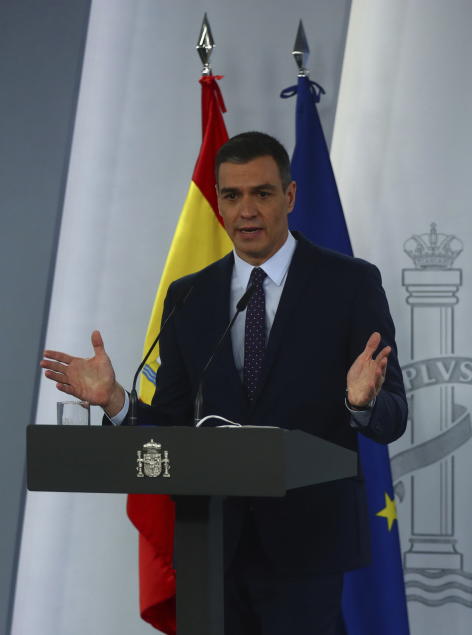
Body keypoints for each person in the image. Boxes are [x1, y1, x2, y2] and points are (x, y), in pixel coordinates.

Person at [40, 131, 407, 634]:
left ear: (290, 196)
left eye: (262, 193)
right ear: (219, 202)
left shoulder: (349, 284)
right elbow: (169, 426)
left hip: (307, 547)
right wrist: (117, 402)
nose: (247, 210)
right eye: (232, 196)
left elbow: (393, 415)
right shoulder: (190, 297)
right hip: (210, 548)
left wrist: (360, 403)